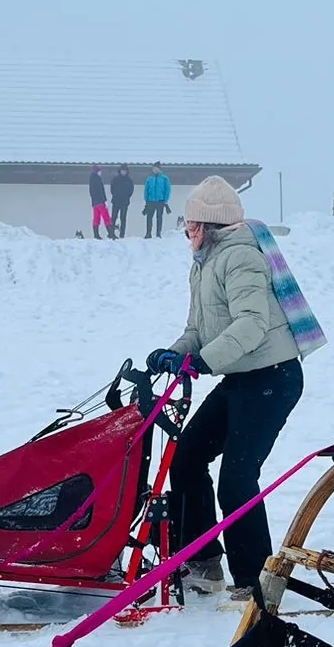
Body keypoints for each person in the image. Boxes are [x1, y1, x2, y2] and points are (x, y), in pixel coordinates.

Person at [147, 177, 320, 600]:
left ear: (207, 226)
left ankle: (256, 581)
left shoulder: (240, 256)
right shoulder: (204, 262)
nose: (187, 235)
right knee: (186, 457)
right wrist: (174, 354)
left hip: (272, 378)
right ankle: (203, 563)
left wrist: (205, 361)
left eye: (190, 227)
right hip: (242, 374)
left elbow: (252, 323)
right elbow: (197, 329)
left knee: (237, 479)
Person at [142, 164, 171, 238]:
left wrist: (165, 200)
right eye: (153, 169)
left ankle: (158, 233)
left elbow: (167, 190)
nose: (154, 170)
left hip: (160, 201)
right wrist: (146, 199)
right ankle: (148, 233)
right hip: (150, 201)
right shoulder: (149, 178)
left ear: (159, 169)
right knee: (149, 217)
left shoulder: (164, 178)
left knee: (159, 217)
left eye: (156, 169)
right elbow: (146, 190)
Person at [87, 167, 113, 241]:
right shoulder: (97, 179)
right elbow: (101, 191)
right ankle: (111, 233)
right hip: (100, 201)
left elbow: (91, 192)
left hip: (94, 202)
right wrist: (104, 200)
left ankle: (96, 234)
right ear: (97, 172)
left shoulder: (91, 180)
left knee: (96, 218)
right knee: (106, 217)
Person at [110, 166, 135, 238]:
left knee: (123, 218)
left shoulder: (129, 180)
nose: (123, 172)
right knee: (113, 217)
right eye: (122, 170)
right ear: (120, 171)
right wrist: (115, 195)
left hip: (125, 202)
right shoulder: (115, 179)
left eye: (125, 171)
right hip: (116, 201)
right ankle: (111, 233)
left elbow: (131, 190)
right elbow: (112, 189)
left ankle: (122, 234)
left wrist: (127, 197)